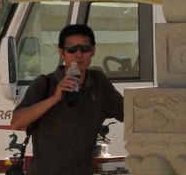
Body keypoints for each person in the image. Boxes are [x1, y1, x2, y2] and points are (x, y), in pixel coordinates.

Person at [9, 24, 124, 175]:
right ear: (62, 53)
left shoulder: (98, 83)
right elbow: (16, 122)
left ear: (93, 51)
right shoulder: (45, 83)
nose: (78, 54)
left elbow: (128, 113)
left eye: (84, 49)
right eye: (71, 49)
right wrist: (55, 98)